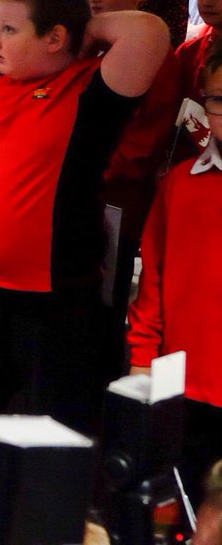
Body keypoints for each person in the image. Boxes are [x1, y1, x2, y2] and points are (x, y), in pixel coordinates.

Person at [0, 0, 170, 538]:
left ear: (56, 38)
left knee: (49, 427)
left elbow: (150, 34)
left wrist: (83, 26)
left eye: (10, 30)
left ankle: (38, 523)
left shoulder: (91, 91)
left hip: (48, 299)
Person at [128, 47, 222, 508]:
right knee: (186, 510)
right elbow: (153, 286)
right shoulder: (180, 182)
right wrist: (143, 361)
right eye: (220, 99)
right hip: (185, 386)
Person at [86, 0, 181, 376]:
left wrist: (83, 177)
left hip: (116, 199)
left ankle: (98, 391)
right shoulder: (89, 45)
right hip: (83, 192)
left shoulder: (159, 56)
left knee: (104, 300)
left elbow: (144, 145)